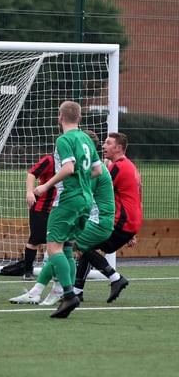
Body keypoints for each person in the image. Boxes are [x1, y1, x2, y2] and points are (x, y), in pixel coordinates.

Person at [12, 101, 102, 318]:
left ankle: (69, 295)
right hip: (85, 199)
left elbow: (68, 168)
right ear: (79, 119)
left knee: (53, 249)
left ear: (60, 117)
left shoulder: (64, 139)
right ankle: (64, 292)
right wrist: (81, 180)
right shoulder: (86, 140)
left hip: (68, 199)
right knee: (68, 248)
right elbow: (97, 170)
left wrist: (45, 185)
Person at [74, 132, 142, 303]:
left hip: (121, 221)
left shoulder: (117, 167)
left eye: (108, 143)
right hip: (130, 222)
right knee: (86, 247)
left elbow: (99, 189)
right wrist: (132, 231)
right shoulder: (131, 166)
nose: (104, 146)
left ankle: (115, 278)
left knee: (81, 245)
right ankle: (77, 291)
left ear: (118, 148)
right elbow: (134, 198)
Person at [22, 153, 56, 280]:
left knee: (60, 240)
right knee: (35, 239)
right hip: (41, 207)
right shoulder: (50, 160)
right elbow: (32, 173)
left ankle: (55, 268)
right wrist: (29, 192)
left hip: (60, 208)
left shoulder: (72, 162)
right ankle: (27, 271)